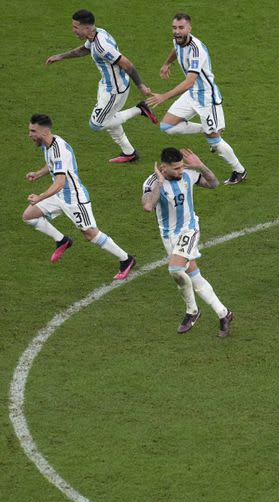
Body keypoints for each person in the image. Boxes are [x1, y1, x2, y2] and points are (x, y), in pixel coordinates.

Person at [23, 114, 136, 279]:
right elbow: (52, 164)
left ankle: (126, 259)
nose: (30, 135)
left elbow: (60, 182)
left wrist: (40, 198)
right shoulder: (46, 144)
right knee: (29, 216)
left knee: (90, 234)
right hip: (58, 194)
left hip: (74, 198)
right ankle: (62, 241)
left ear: (45, 132)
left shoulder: (58, 149)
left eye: (33, 131)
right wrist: (38, 174)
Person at [141, 147, 234, 337]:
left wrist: (201, 166)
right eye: (175, 168)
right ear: (163, 167)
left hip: (189, 230)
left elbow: (214, 184)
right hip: (168, 237)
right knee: (194, 277)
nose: (180, 171)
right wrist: (159, 181)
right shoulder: (152, 182)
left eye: (182, 166)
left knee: (175, 270)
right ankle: (224, 314)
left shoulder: (189, 175)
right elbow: (148, 206)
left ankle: (192, 311)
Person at [147, 12, 247, 185]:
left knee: (215, 143)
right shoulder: (177, 40)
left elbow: (189, 82)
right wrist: (167, 63)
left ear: (189, 29)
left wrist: (164, 96)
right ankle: (208, 129)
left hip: (207, 99)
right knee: (167, 126)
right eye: (174, 28)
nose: (177, 31)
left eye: (181, 28)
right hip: (192, 94)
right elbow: (175, 50)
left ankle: (239, 171)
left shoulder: (197, 50)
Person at [45, 9, 157, 163]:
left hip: (114, 91)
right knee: (107, 117)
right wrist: (60, 57)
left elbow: (127, 64)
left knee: (96, 124)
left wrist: (141, 85)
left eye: (75, 27)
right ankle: (129, 153)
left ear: (86, 28)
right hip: (105, 84)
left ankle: (139, 109)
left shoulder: (102, 46)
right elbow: (83, 50)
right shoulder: (98, 33)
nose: (73, 30)